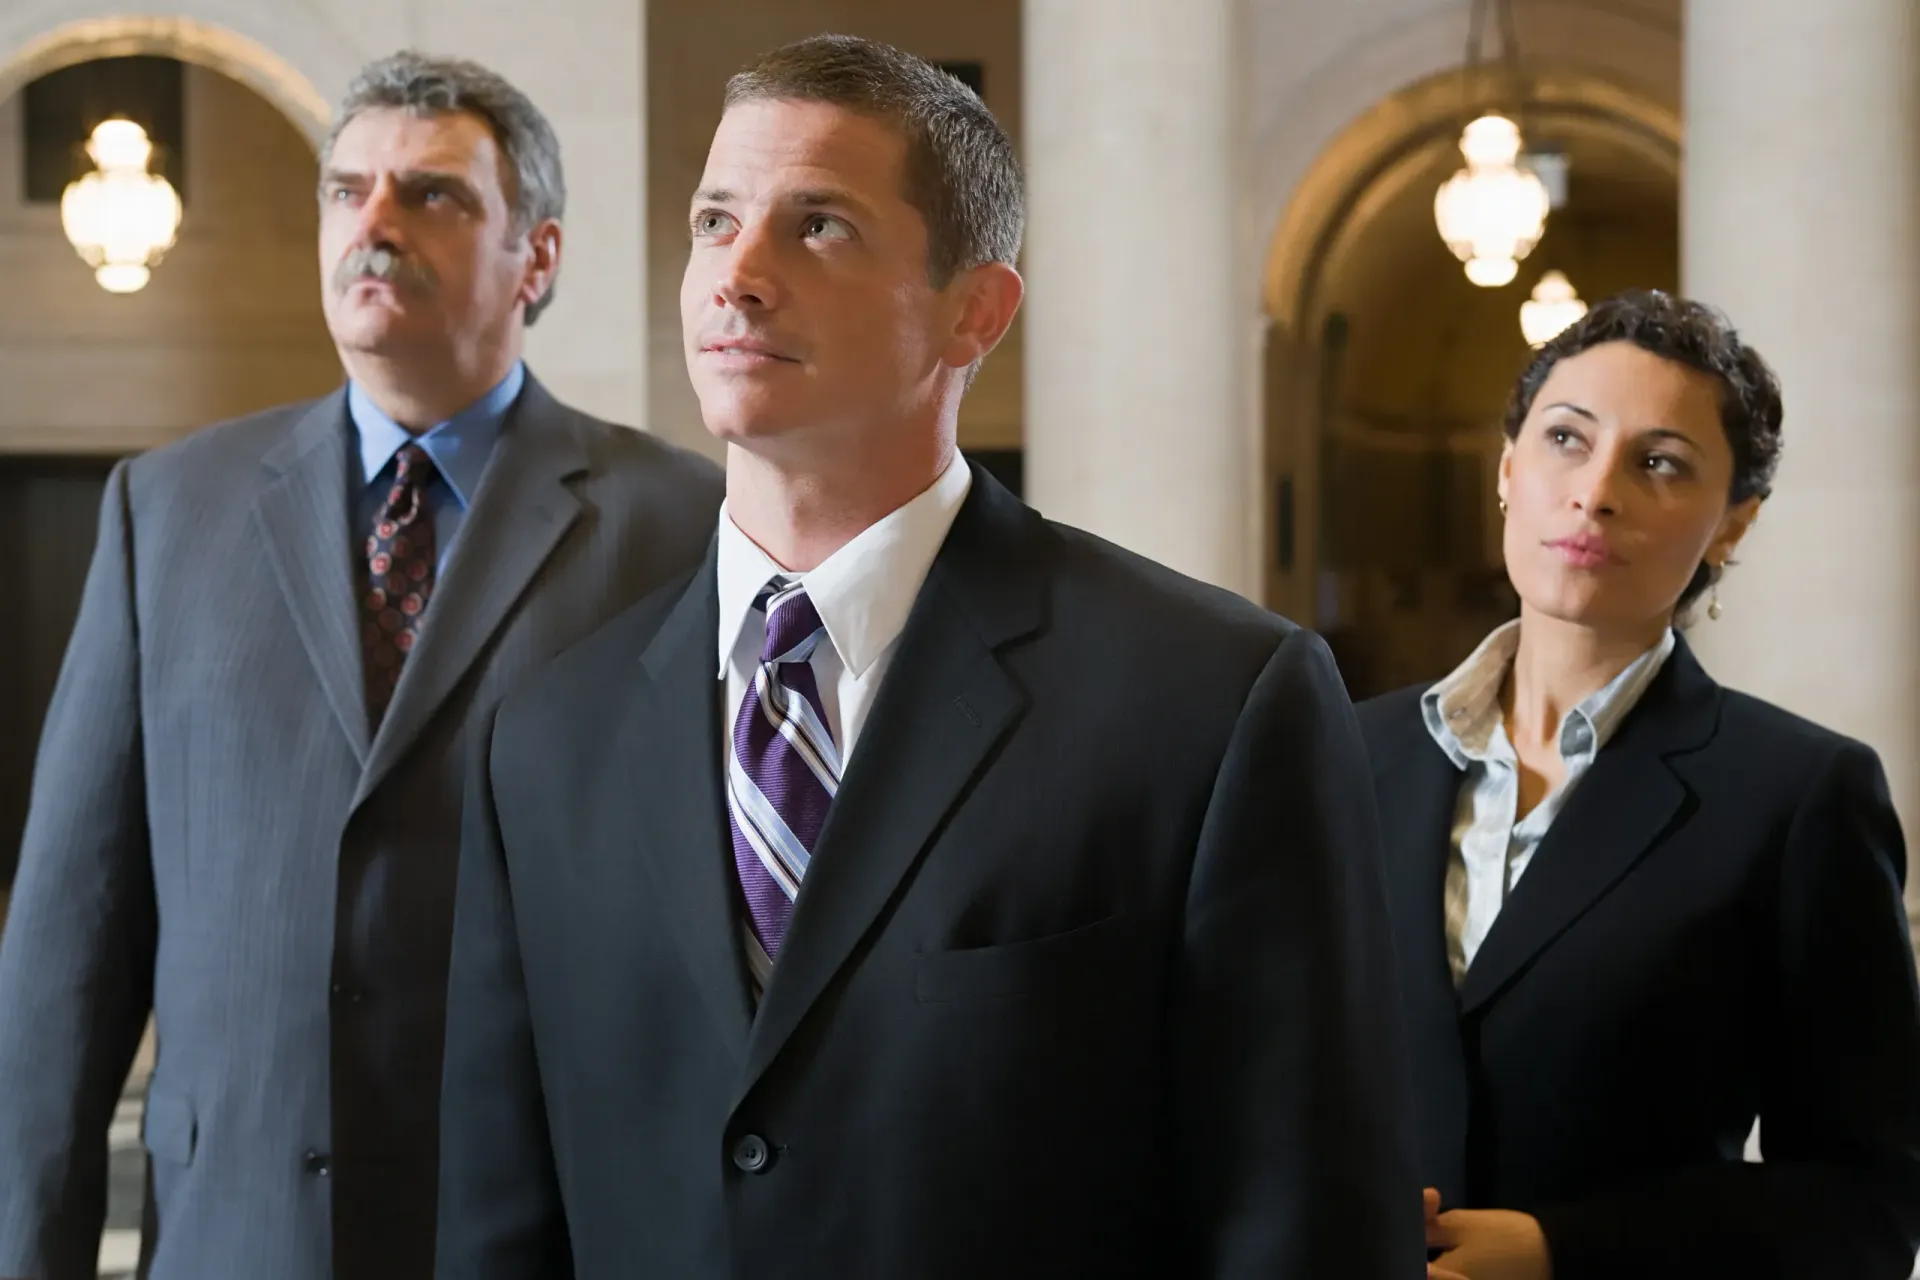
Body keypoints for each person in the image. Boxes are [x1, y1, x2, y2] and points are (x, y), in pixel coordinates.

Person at [435, 32, 1422, 1280]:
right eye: (714, 221)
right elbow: (496, 1226)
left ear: (975, 310)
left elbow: (1305, 1224)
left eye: (820, 227)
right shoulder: (545, 737)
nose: (736, 275)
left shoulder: (1215, 700)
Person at [0, 50, 720, 1280]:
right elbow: (73, 939)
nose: (374, 224)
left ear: (536, 256)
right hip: (238, 1232)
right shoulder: (163, 512)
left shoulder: (677, 523)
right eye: (348, 191)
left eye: (432, 194)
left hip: (540, 1234)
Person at [1354, 290, 1920, 1279]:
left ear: (1732, 523)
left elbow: (1864, 1204)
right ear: (1507, 470)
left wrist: (1560, 1248)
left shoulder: (1799, 796)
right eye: (1566, 439)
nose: (1596, 490)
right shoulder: (1343, 755)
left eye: (1659, 462)